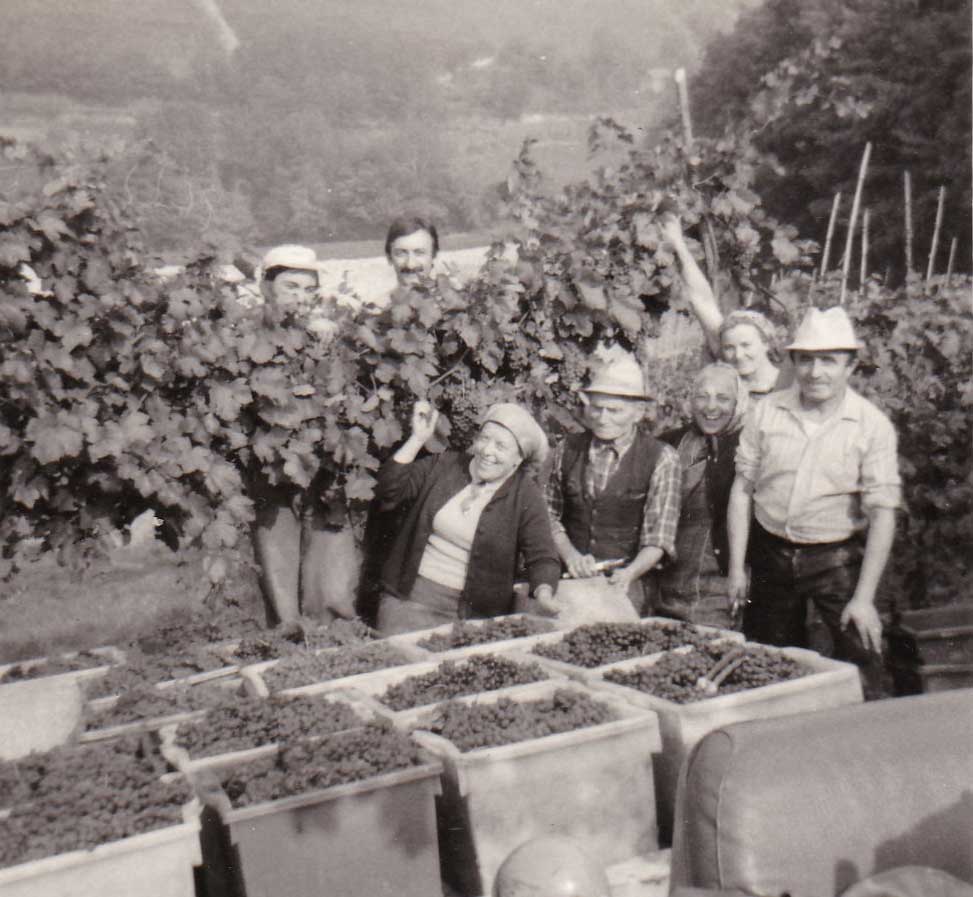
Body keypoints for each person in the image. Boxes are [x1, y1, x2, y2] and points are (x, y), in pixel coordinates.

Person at [726, 306, 901, 695]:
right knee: (768, 664)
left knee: (864, 661)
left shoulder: (870, 425)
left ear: (850, 366)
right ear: (793, 362)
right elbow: (742, 491)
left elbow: (883, 514)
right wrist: (738, 569)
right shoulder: (767, 412)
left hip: (837, 560)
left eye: (829, 361)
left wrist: (864, 597)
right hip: (771, 554)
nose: (815, 372)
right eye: (806, 360)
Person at [374, 400, 559, 634]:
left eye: (501, 446)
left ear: (518, 458)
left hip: (474, 617)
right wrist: (417, 439)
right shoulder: (445, 465)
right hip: (410, 600)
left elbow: (542, 555)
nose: (487, 451)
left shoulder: (526, 496)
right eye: (484, 438)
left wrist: (543, 592)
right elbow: (388, 491)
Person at [248, 245, 349, 630]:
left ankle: (331, 642)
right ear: (265, 287)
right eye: (291, 287)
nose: (301, 298)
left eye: (309, 290)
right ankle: (288, 645)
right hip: (270, 473)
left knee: (330, 577)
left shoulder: (321, 335)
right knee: (279, 572)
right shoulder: (248, 336)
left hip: (320, 470)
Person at [545, 353, 682, 615]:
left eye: (614, 411)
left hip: (629, 584)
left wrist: (629, 573)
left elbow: (659, 538)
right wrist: (571, 555)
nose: (603, 418)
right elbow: (547, 514)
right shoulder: (567, 449)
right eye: (596, 408)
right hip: (570, 580)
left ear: (638, 412)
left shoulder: (662, 458)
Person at [656, 362, 749, 629]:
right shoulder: (670, 442)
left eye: (723, 398)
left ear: (737, 403)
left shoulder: (748, 445)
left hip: (719, 580)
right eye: (702, 396)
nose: (711, 406)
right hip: (670, 577)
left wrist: (737, 571)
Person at [661, 214, 786, 396]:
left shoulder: (789, 382)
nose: (738, 355)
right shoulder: (733, 381)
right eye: (729, 348)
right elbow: (702, 300)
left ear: (766, 343)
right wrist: (679, 245)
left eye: (746, 345)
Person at [385, 216, 439, 288]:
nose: (410, 265)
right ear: (389, 258)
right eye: (401, 254)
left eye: (419, 253)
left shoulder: (455, 297)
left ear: (433, 255)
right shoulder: (378, 299)